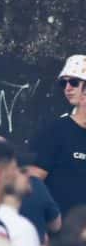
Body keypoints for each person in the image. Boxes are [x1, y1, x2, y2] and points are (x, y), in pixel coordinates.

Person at [26, 53, 86, 228]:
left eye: (74, 82)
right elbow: (32, 183)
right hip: (63, 235)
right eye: (63, 83)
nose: (67, 88)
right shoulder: (56, 131)